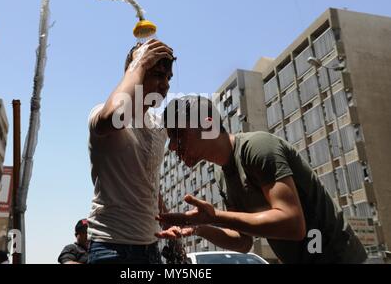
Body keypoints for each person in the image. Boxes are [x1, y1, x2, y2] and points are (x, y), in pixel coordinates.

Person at [156, 95, 367, 264]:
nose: (173, 146)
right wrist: (197, 227)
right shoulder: (222, 176)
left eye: (178, 134)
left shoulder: (258, 148)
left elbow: (293, 224)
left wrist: (214, 216)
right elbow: (242, 242)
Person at [87, 39, 176, 264]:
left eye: (168, 77)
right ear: (135, 71)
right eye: (156, 74)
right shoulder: (101, 113)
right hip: (112, 248)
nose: (165, 85)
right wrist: (139, 62)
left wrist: (166, 220)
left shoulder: (159, 126)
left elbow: (147, 182)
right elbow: (114, 114)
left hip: (151, 247)